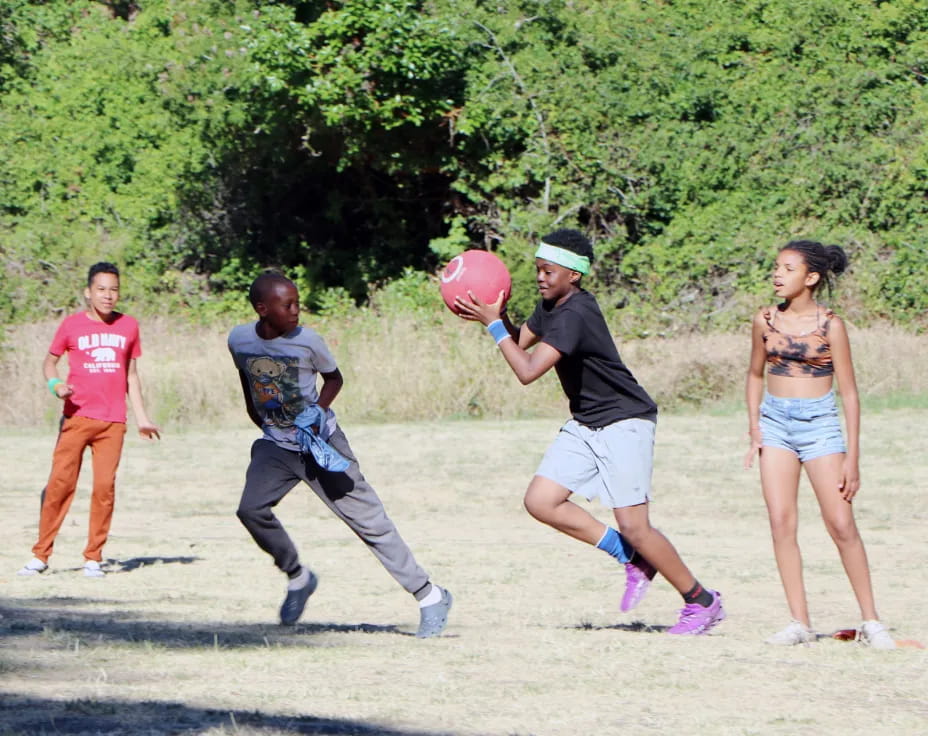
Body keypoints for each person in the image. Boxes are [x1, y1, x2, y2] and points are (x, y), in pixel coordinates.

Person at [454, 229, 725, 635]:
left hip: (624, 421)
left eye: (549, 271)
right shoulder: (551, 306)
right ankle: (631, 557)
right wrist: (498, 316)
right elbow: (518, 343)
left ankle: (702, 601)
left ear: (574, 275)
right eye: (538, 270)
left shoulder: (576, 313)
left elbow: (526, 371)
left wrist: (493, 326)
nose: (541, 278)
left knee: (637, 526)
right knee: (541, 500)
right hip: (587, 421)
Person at [227, 271, 452, 636]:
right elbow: (246, 375)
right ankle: (298, 577)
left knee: (369, 521)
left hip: (321, 445)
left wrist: (318, 410)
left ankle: (430, 596)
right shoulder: (238, 339)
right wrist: (256, 414)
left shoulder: (308, 342)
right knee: (250, 509)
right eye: (288, 305)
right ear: (262, 309)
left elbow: (334, 379)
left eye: (298, 301)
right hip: (276, 445)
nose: (297, 310)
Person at [744, 240, 895, 648]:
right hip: (775, 424)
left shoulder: (831, 325)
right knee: (781, 521)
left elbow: (849, 393)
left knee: (841, 523)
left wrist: (854, 458)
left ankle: (871, 621)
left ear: (810, 277)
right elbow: (755, 375)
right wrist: (755, 427)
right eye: (776, 267)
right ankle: (799, 623)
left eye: (788, 268)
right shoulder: (763, 320)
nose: (778, 274)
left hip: (820, 426)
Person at [17, 262, 161, 578]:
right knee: (59, 485)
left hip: (112, 422)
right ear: (88, 292)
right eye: (101, 289)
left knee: (104, 488)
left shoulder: (129, 326)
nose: (108, 296)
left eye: (114, 289)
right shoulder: (72, 326)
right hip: (77, 418)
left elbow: (131, 376)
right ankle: (41, 555)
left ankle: (93, 557)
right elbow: (49, 363)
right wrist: (57, 387)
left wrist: (143, 418)